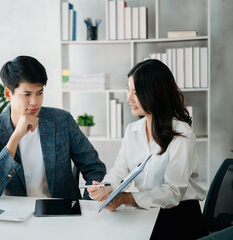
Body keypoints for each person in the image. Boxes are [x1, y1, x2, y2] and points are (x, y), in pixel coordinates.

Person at [88, 59, 208, 239]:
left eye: (136, 92)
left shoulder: (182, 133)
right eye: (128, 90)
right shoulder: (132, 130)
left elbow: (173, 192)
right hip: (149, 210)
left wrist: (126, 198)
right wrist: (107, 188)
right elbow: (120, 171)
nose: (128, 98)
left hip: (179, 217)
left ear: (154, 93)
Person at [0, 55, 106, 201]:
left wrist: (88, 204)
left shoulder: (62, 120)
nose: (34, 102)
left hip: (63, 214)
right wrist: (15, 137)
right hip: (17, 216)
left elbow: (94, 166)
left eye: (39, 93)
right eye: (27, 94)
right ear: (8, 94)